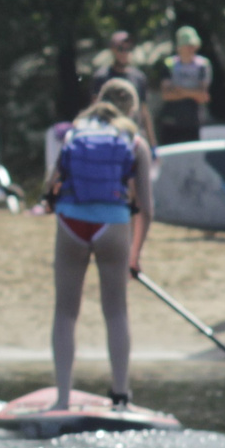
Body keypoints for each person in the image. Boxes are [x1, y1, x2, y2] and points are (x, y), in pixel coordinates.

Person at [42, 78, 153, 410]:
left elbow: (52, 185)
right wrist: (135, 255)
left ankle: (62, 398)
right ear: (130, 110)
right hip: (113, 225)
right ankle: (121, 396)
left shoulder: (74, 133)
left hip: (71, 222)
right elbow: (147, 208)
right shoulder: (134, 141)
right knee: (116, 311)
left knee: (65, 312)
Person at [157, 26, 213, 147]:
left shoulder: (203, 65)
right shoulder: (169, 64)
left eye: (193, 45)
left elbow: (203, 96)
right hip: (171, 122)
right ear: (179, 47)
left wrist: (180, 91)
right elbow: (166, 95)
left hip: (194, 122)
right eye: (187, 45)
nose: (191, 49)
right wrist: (193, 93)